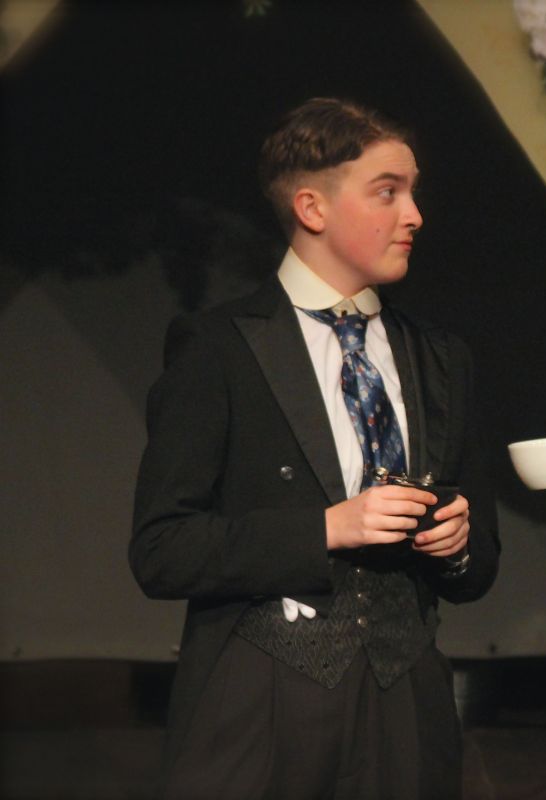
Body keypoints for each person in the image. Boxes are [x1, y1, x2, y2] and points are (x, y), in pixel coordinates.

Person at [130, 97, 499, 799]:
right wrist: (327, 528)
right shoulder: (219, 348)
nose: (414, 214)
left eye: (413, 191)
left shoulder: (440, 356)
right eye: (387, 192)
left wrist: (457, 542)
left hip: (407, 705)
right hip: (263, 700)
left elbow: (480, 564)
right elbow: (161, 548)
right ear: (312, 208)